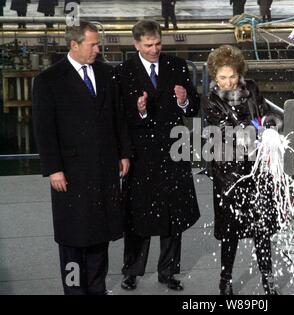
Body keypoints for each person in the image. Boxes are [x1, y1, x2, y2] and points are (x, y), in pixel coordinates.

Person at [32, 21, 131, 295]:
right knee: (73, 238)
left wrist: (123, 153)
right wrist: (53, 169)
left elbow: (118, 117)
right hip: (71, 172)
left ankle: (97, 288)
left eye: (98, 44)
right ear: (74, 45)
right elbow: (44, 129)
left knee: (101, 233)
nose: (98, 50)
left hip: (104, 169)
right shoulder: (49, 80)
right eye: (93, 45)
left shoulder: (106, 74)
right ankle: (75, 290)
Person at [115, 19, 200, 292]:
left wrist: (184, 100)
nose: (154, 49)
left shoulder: (177, 66)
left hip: (174, 151)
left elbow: (194, 108)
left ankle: (168, 272)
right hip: (140, 155)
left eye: (158, 43)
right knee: (137, 215)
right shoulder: (123, 72)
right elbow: (118, 118)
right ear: (136, 44)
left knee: (172, 215)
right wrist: (139, 109)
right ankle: (131, 271)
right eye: (149, 45)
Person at [203, 45, 281, 295]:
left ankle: (268, 281)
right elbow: (225, 132)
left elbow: (266, 114)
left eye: (233, 76)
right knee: (230, 233)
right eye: (222, 77)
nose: (228, 82)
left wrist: (269, 126)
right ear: (215, 77)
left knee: (262, 230)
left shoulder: (252, 89)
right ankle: (225, 281)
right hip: (228, 174)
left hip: (256, 171)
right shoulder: (209, 101)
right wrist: (255, 130)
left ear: (240, 74)